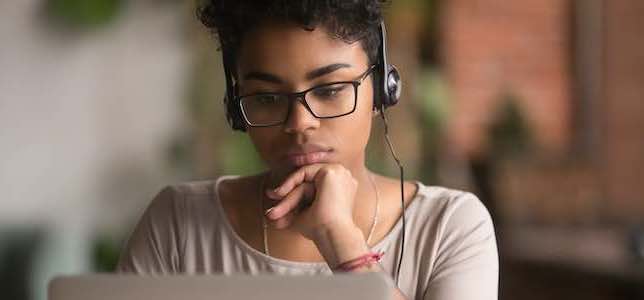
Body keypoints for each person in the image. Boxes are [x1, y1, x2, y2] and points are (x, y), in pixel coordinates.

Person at [115, 1, 499, 299]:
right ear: (237, 107)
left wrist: (339, 238)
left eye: (330, 90)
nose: (299, 123)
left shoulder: (449, 228)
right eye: (266, 97)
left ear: (382, 89)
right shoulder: (178, 226)